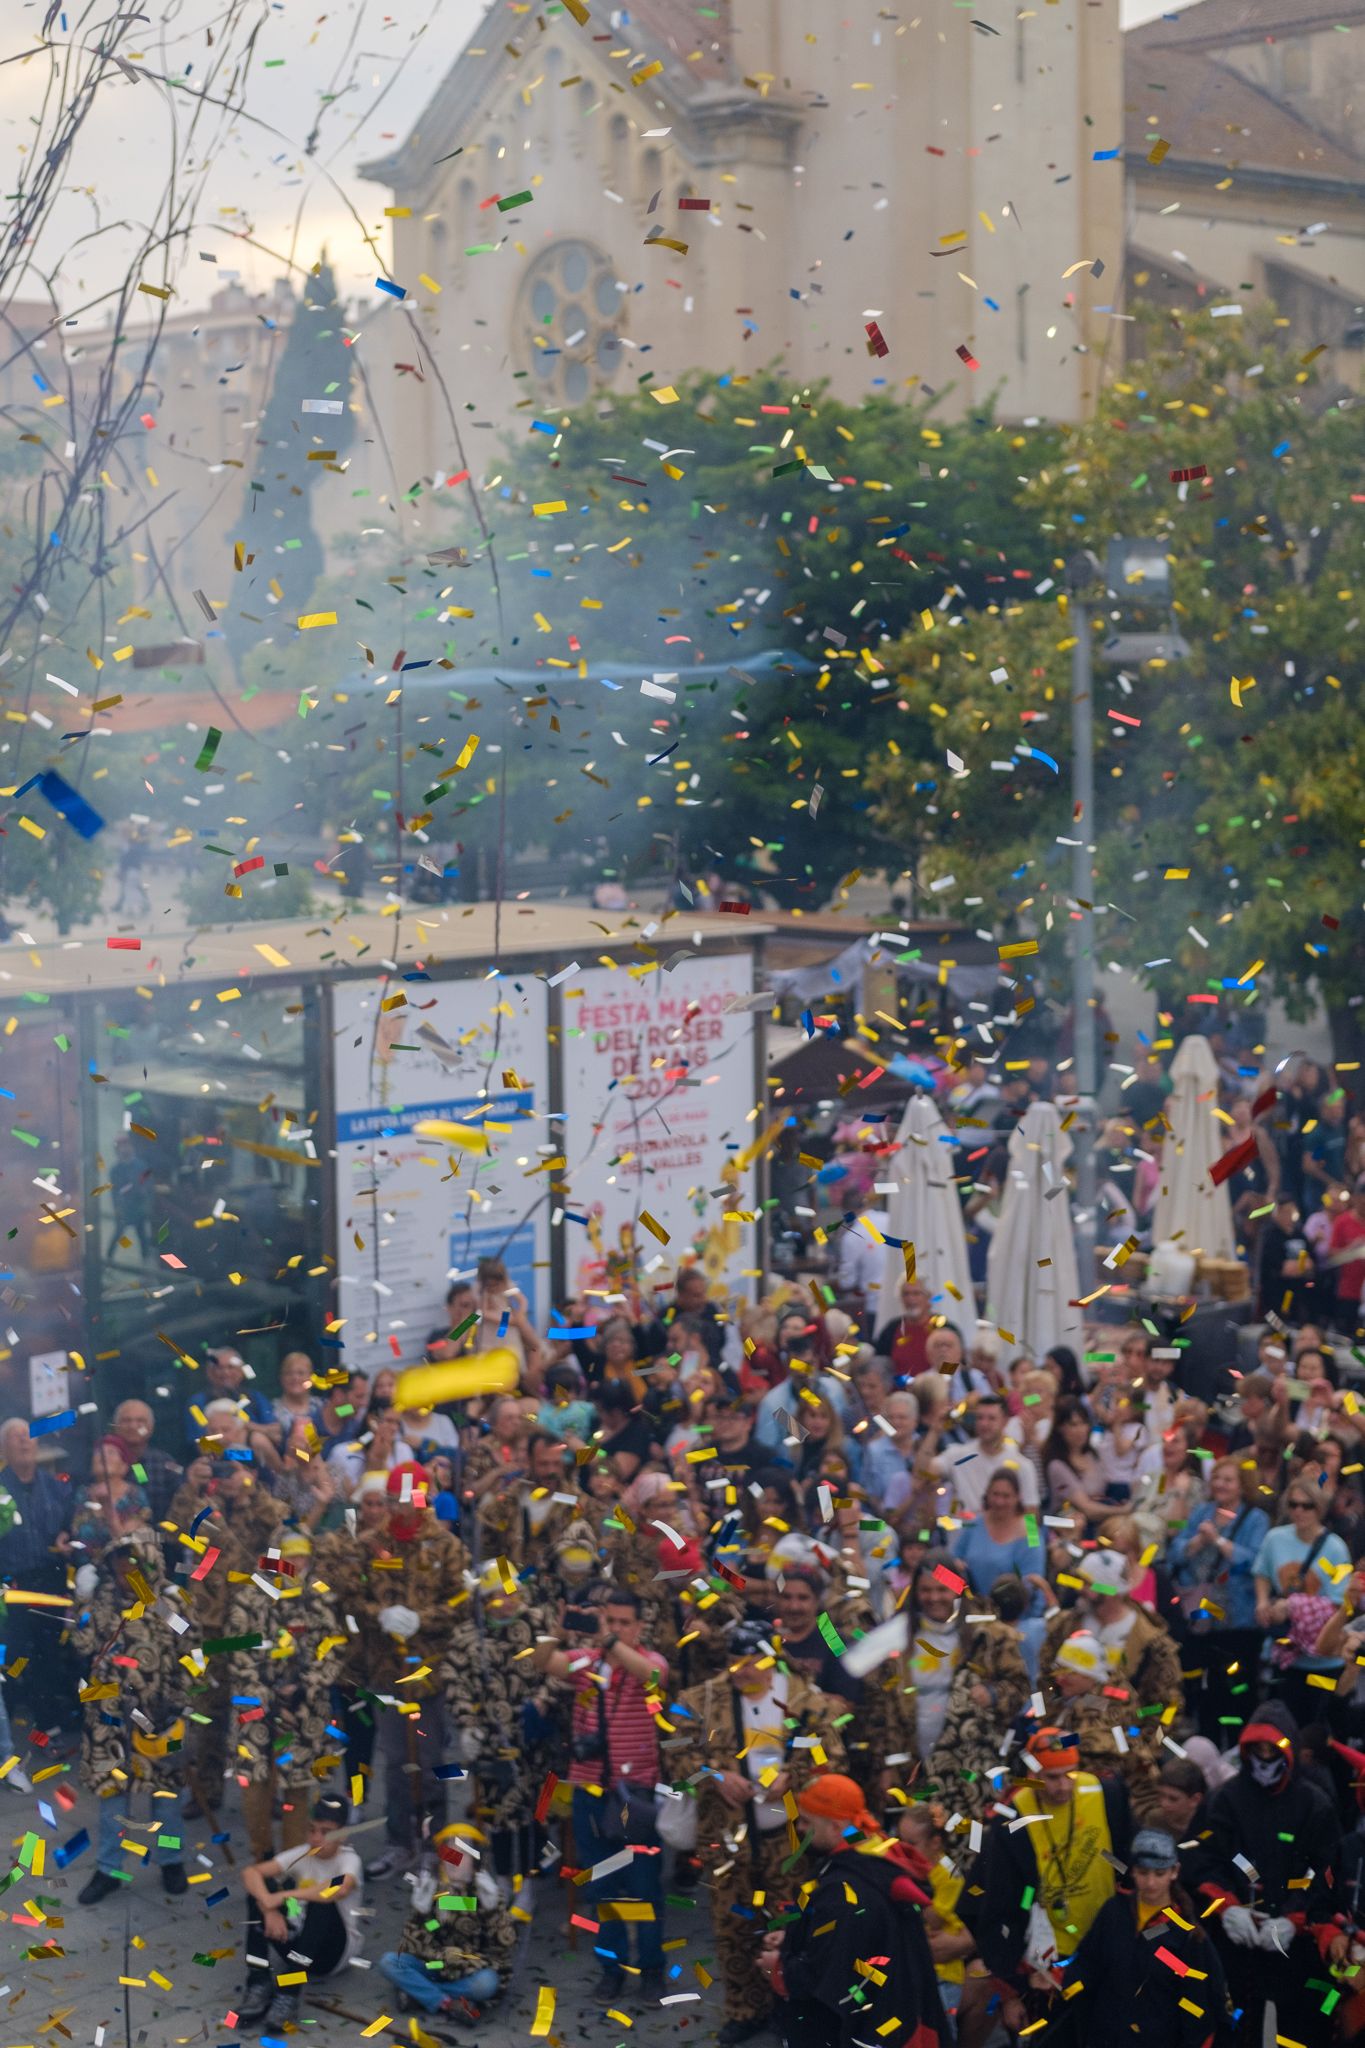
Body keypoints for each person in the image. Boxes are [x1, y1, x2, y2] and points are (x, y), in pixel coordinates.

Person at [670, 1616, 847, 2045]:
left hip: (788, 1840)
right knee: (733, 1928)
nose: (742, 1672)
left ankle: (795, 2007)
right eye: (734, 1662)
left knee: (792, 1925)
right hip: (727, 1839)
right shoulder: (700, 1700)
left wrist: (794, 1776)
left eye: (751, 1663)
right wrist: (713, 1775)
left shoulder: (807, 1702)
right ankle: (744, 2009)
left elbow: (835, 1759)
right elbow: (674, 1754)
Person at [534, 1587, 668, 2003]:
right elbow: (544, 1663)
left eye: (624, 1623)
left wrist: (608, 1640)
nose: (615, 1629)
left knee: (645, 1889)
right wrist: (558, 1629)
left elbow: (653, 1677)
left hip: (636, 1795)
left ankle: (650, 1971)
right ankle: (611, 1971)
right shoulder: (587, 1663)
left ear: (640, 1627)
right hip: (590, 1793)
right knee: (602, 1890)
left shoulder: (651, 1661)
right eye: (609, 1621)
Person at [764, 1772, 948, 2048]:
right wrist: (797, 1936)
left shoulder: (845, 1890)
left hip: (868, 2027)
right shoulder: (876, 1855)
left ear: (837, 1827)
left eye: (807, 1821)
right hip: (898, 2008)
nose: (799, 1828)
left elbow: (828, 1977)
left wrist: (778, 1968)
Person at [1200, 1702, 1342, 2048]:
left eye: (1272, 1751)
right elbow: (1207, 1859)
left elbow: (1325, 1871)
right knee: (1234, 2027)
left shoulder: (1314, 1804)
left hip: (1297, 1942)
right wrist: (1227, 1907)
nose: (1264, 1760)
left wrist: (1294, 1917)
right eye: (1257, 1751)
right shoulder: (1226, 1799)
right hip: (1239, 1939)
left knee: (1300, 2029)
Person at [975, 1727, 1132, 2038]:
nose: (1063, 1787)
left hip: (1105, 1947)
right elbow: (998, 1906)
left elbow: (1125, 1857)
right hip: (1046, 1963)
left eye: (1069, 1775)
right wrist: (1010, 1992)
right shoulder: (1012, 1816)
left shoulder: (1105, 1792)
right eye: (1052, 1777)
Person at [352, 1464, 468, 1878]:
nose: (404, 1506)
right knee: (397, 1762)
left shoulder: (445, 1545)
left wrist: (423, 1618)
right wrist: (379, 1614)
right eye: (396, 1498)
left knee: (433, 1760)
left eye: (411, 1497)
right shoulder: (369, 1544)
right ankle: (399, 1842)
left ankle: (437, 1843)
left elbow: (461, 1602)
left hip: (430, 1673)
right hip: (385, 1672)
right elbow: (353, 1598)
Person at [72, 1533, 191, 1904]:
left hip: (159, 1715)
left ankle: (171, 1860)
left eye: (133, 1571)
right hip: (109, 1717)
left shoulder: (171, 1602)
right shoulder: (104, 1599)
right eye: (119, 1572)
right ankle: (108, 1868)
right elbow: (81, 1645)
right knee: (112, 1795)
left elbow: (193, 1653)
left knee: (166, 1793)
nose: (125, 1579)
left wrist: (180, 1703)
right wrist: (82, 1605)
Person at [227, 1531, 343, 1861]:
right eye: (289, 1558)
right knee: (256, 1786)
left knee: (298, 1788)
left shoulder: (318, 1599)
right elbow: (237, 1652)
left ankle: (294, 1861)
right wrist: (265, 1692)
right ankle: (261, 1855)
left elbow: (331, 1650)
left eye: (302, 1558)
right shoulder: (249, 1599)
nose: (296, 1565)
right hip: (257, 1709)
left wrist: (306, 1684)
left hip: (304, 1709)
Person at [1068, 1826, 1229, 2047]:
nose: (1151, 1883)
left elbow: (1198, 2004)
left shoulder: (1187, 1935)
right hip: (1105, 2038)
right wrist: (1061, 1982)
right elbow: (1087, 1963)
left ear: (1174, 1872)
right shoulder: (1114, 1912)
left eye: (1159, 1873)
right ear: (1133, 1871)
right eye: (1143, 1873)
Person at [238, 1794, 362, 2029]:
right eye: (312, 1830)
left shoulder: (349, 1860)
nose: (316, 1839)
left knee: (321, 1902)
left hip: (331, 1954)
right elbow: (250, 1873)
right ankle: (258, 1981)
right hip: (298, 1944)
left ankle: (288, 1993)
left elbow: (339, 1889)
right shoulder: (303, 1852)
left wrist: (280, 1898)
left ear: (342, 1835)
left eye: (325, 1832)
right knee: (258, 1891)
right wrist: (269, 1907)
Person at [1168, 1455, 1270, 1740]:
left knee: (1239, 1687)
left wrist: (1220, 1541)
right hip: (1203, 1618)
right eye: (1217, 1479)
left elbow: (1256, 1562)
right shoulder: (1201, 1512)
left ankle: (1241, 1745)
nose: (1220, 1485)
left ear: (1241, 1485)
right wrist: (1196, 1541)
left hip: (1238, 1619)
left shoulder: (1255, 1519)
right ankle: (1209, 1743)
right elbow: (1174, 1552)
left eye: (1228, 1480)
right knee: (1207, 1688)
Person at [378, 1825, 515, 2019]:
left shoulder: (486, 1893)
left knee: (486, 1984)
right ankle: (448, 2002)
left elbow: (503, 1946)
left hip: (471, 1970)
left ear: (475, 1860)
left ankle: (419, 1994)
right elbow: (413, 1943)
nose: (453, 1861)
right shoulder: (434, 1890)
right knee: (389, 1962)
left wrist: (494, 1911)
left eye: (461, 1855)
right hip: (435, 1965)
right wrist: (420, 1913)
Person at [1039, 1548, 1184, 1722]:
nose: (1080, 1589)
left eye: (1088, 1583)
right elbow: (1045, 1679)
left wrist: (1142, 1742)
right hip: (1059, 1735)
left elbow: (1167, 1706)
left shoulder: (1152, 1642)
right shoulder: (1064, 1625)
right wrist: (1043, 1721)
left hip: (1119, 1736)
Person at [1253, 1478, 1351, 1728]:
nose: (1299, 1511)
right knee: (1285, 1727)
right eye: (1293, 1505)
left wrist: (1293, 1606)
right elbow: (1262, 1572)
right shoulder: (1276, 1538)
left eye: (1307, 1506)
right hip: (1287, 1656)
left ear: (1318, 1508)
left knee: (1318, 1731)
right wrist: (1263, 1602)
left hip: (1324, 1660)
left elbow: (1340, 1604)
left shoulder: (1335, 1548)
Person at [0, 1416, 74, 1722]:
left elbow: (72, 1527)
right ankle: (11, 1714)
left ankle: (48, 1715)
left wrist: (68, 1536)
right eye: (14, 1437)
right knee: (13, 1649)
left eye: (27, 1436)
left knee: (49, 1647)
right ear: (3, 1448)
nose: (22, 1441)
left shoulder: (58, 1489)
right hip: (12, 1582)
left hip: (50, 1578)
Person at [925, 1390, 1040, 1515]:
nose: (984, 1424)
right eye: (980, 1418)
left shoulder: (1022, 1465)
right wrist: (934, 1432)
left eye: (991, 1418)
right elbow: (923, 1473)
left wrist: (1031, 1535)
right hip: (964, 1531)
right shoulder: (958, 1455)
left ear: (1005, 1421)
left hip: (1004, 1532)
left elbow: (1030, 1513)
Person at [950, 1468, 1045, 1600]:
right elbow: (951, 1562)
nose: (999, 1502)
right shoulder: (976, 1522)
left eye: (1006, 1496)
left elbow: (1034, 1582)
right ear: (987, 1494)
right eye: (995, 1494)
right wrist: (963, 1589)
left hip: (1015, 1612)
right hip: (974, 1607)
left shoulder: (1031, 1527)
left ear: (1018, 1497)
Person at [107, 1399, 184, 1524]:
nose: (133, 1426)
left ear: (151, 1427)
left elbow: (180, 1504)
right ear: (116, 1426)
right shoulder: (104, 1461)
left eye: (140, 1421)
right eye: (126, 1421)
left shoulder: (165, 1462)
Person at [872, 1280, 934, 1378]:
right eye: (906, 1294)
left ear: (928, 1298)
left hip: (934, 1390)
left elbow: (956, 1362)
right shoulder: (891, 1330)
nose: (911, 1299)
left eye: (916, 1293)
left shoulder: (944, 1328)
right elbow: (879, 1365)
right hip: (898, 1391)